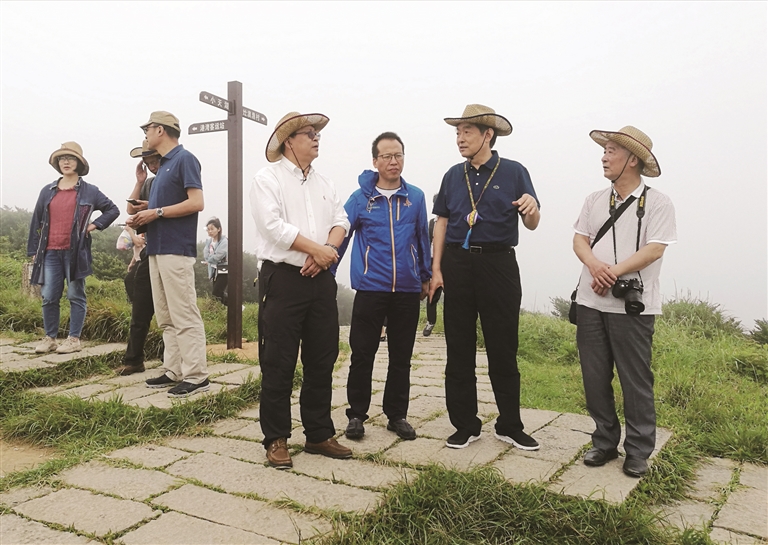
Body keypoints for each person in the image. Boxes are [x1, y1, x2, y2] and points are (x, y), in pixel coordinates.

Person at [429, 104, 541, 450]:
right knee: (458, 347)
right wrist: (436, 270)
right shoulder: (452, 175)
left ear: (487, 135)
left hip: (499, 265)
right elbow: (442, 223)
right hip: (458, 265)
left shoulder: (514, 172)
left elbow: (533, 221)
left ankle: (509, 424)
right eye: (457, 132)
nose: (460, 138)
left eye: (467, 132)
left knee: (502, 347)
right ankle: (465, 424)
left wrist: (533, 209)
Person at [573, 126, 676, 478]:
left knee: (636, 380)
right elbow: (580, 239)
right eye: (604, 150)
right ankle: (603, 441)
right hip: (590, 301)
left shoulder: (658, 202)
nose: (604, 156)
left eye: (612, 150)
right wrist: (594, 266)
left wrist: (613, 271)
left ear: (633, 159)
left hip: (633, 307)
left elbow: (655, 248)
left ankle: (638, 450)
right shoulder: (594, 199)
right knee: (594, 377)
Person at [250, 111, 351, 469]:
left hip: (321, 279)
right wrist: (316, 250)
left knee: (322, 357)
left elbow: (341, 220)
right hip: (283, 279)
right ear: (288, 141)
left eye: (317, 133)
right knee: (278, 359)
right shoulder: (268, 178)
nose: (316, 138)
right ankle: (276, 438)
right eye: (308, 133)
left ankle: (319, 433)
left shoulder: (325, 183)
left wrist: (325, 255)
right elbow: (272, 226)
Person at [337, 131, 431, 442]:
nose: (394, 161)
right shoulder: (360, 198)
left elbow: (422, 238)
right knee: (363, 353)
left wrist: (426, 275)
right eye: (387, 156)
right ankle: (356, 414)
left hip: (406, 288)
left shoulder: (415, 197)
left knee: (401, 355)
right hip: (371, 286)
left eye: (399, 155)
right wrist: (328, 270)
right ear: (375, 161)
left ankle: (397, 415)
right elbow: (342, 234)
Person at [126, 111, 209, 398]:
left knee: (184, 313)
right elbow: (168, 205)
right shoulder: (162, 168)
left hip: (176, 248)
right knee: (166, 316)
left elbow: (196, 202)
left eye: (148, 128)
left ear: (160, 130)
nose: (146, 133)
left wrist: (156, 211)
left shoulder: (185, 159)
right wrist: (146, 209)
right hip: (158, 248)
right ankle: (174, 369)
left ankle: (197, 374)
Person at [28, 142, 119, 354]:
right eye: (61, 159)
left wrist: (94, 225)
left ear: (78, 162)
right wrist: (33, 251)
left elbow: (112, 210)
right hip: (49, 251)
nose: (65, 162)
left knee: (75, 295)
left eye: (70, 158)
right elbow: (36, 222)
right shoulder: (47, 191)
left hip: (75, 252)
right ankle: (50, 338)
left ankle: (73, 339)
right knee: (49, 295)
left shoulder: (90, 191)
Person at [117, 139, 162, 376]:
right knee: (135, 293)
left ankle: (167, 355)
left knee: (171, 313)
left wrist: (150, 207)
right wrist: (140, 181)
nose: (152, 165)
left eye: (154, 160)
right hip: (149, 251)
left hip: (167, 250)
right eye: (148, 162)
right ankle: (134, 359)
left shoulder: (169, 181)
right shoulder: (150, 182)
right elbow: (130, 209)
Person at [423, 193, 442, 337]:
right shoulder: (431, 223)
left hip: (447, 262)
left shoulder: (453, 222)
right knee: (431, 293)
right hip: (430, 260)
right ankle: (430, 322)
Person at [203, 217, 228, 305]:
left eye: (212, 229)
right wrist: (210, 260)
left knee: (216, 293)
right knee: (217, 294)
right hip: (214, 270)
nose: (210, 231)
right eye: (208, 229)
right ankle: (233, 306)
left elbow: (218, 256)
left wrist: (209, 260)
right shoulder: (209, 242)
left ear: (219, 229)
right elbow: (205, 254)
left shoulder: (224, 242)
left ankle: (236, 306)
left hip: (224, 270)